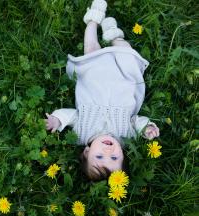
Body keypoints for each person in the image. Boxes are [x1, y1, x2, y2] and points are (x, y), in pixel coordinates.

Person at [44, 0, 160, 181]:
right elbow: (135, 121)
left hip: (94, 78)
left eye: (99, 157)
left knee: (90, 48)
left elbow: (72, 116)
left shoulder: (81, 133)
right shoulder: (126, 136)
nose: (108, 151)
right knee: (125, 50)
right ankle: (114, 35)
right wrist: (146, 128)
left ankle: (93, 20)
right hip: (123, 79)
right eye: (114, 158)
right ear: (123, 154)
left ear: (86, 151)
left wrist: (57, 120)